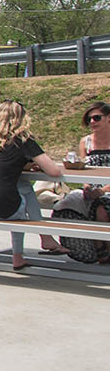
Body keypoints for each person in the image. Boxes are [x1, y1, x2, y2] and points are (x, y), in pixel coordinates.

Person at [0, 100, 65, 270]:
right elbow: (54, 172)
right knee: (24, 190)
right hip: (2, 210)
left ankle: (30, 249)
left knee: (15, 194)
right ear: (21, 119)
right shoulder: (23, 141)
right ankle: (37, 243)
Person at [52, 101, 110, 262]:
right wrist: (86, 186)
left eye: (97, 118)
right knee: (66, 203)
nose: (92, 122)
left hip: (106, 188)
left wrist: (103, 190)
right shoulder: (86, 142)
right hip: (93, 187)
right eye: (89, 119)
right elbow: (83, 167)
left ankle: (103, 248)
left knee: (102, 207)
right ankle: (92, 248)